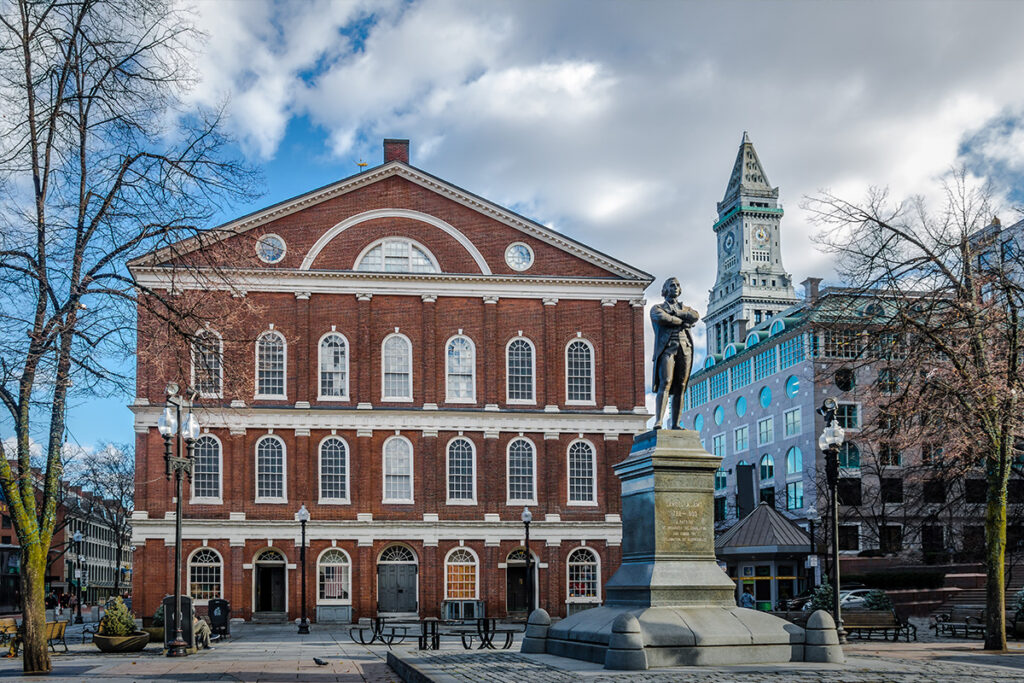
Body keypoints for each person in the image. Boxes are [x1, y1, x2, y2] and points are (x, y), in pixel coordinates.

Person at [650, 277, 700, 429]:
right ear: (665, 290)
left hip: (685, 348)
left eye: (678, 285)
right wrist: (681, 320)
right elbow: (662, 318)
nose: (676, 287)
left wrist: (678, 313)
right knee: (665, 382)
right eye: (672, 285)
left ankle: (676, 424)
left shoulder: (686, 308)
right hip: (667, 348)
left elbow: (695, 316)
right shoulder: (657, 308)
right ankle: (659, 421)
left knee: (682, 385)